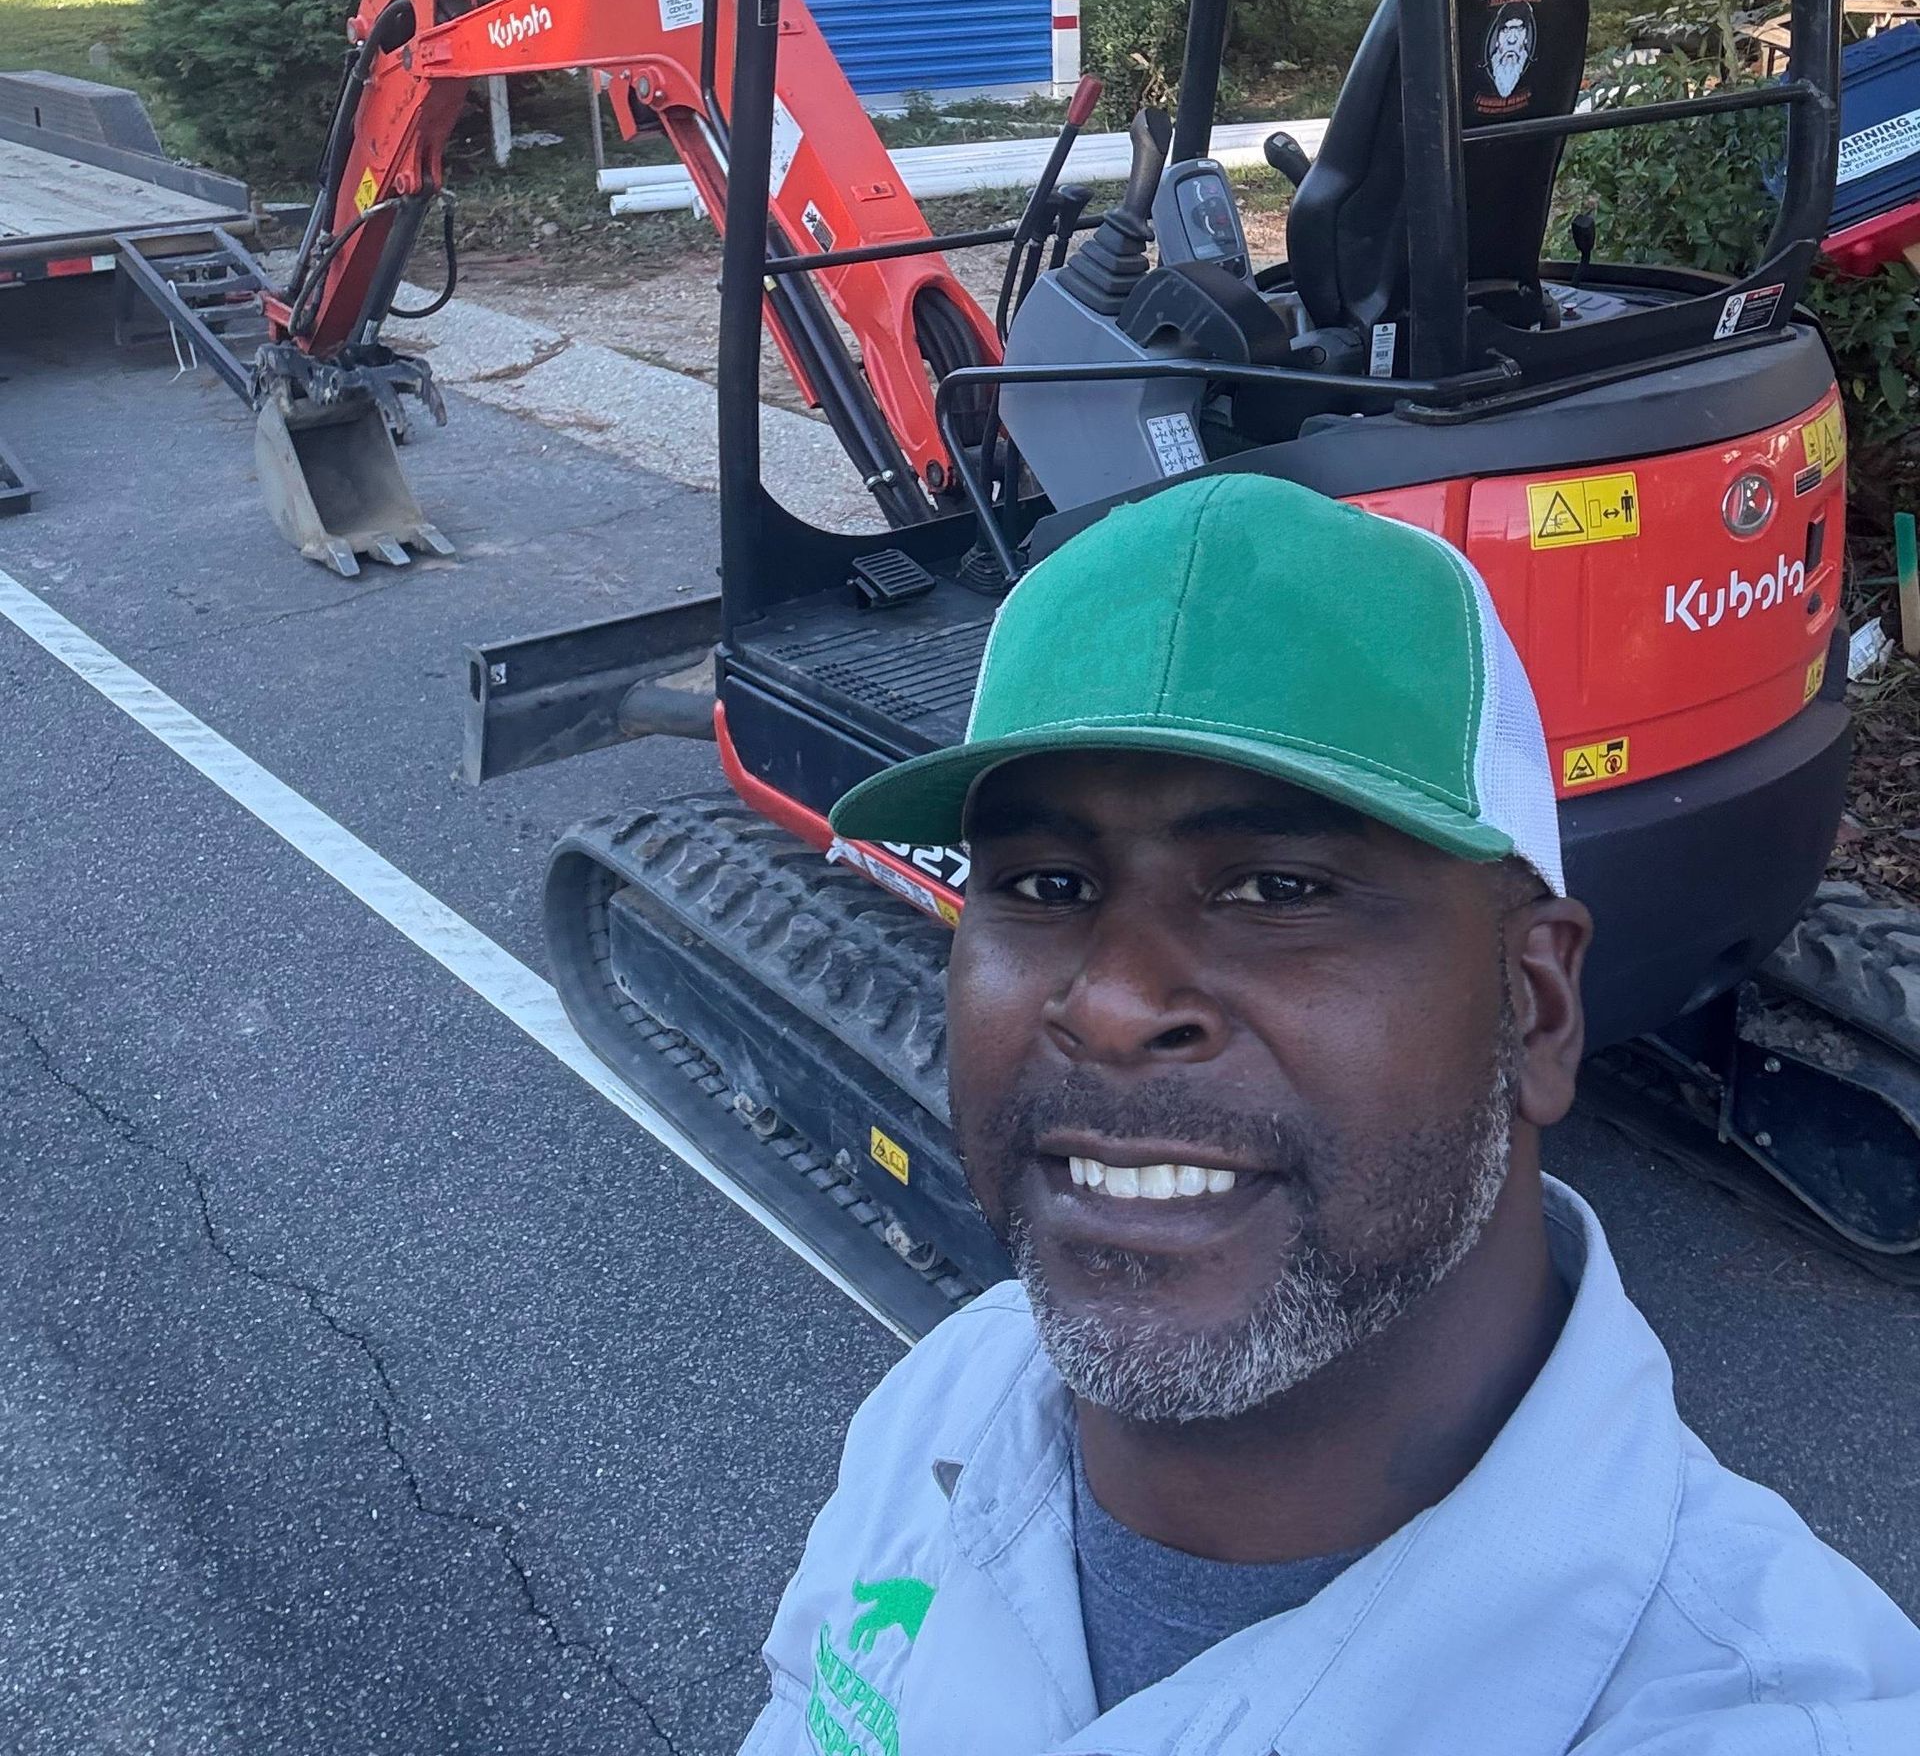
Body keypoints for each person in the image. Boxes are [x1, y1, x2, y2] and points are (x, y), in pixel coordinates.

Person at [737, 472, 1920, 1756]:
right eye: (1048, 883)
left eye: (1279, 888)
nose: (1115, 1002)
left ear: (1535, 1007)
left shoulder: (1765, 1713)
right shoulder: (953, 1394)